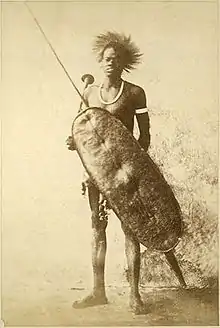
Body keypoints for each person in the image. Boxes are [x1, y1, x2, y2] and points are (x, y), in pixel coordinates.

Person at [66, 31, 151, 314]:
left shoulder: (135, 93)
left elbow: (145, 138)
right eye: (106, 59)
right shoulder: (89, 93)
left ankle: (135, 295)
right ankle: (98, 292)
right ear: (100, 62)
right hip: (95, 175)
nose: (110, 63)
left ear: (123, 62)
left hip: (125, 176)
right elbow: (82, 131)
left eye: (116, 59)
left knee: (131, 231)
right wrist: (73, 141)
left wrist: (130, 167)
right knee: (97, 228)